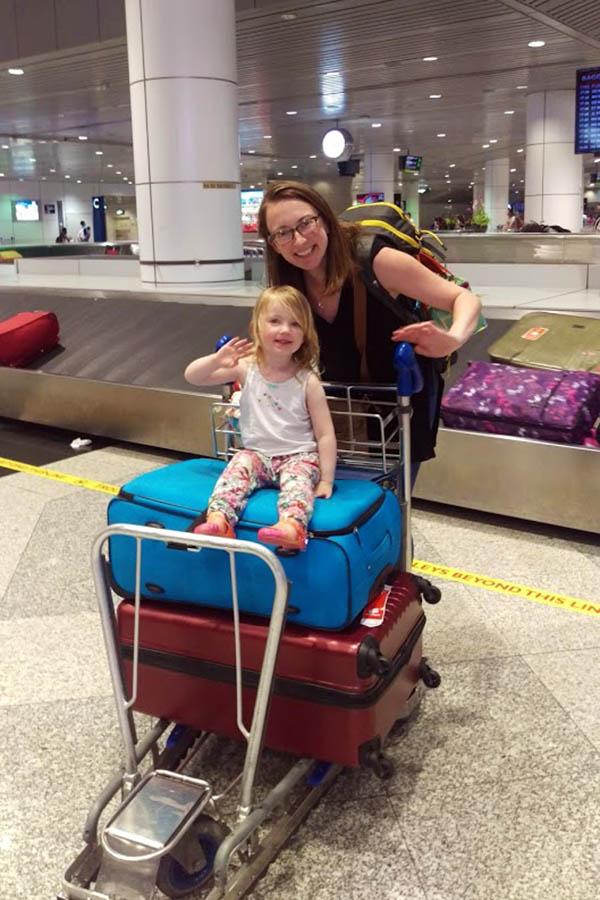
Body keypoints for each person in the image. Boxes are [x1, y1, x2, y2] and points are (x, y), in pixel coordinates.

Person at [257, 181, 482, 474]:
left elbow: (463, 298)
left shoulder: (374, 260)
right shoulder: (289, 282)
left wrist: (453, 338)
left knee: (390, 495)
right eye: (283, 233)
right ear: (273, 244)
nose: (299, 240)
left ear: (324, 219)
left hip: (401, 405)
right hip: (341, 410)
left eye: (305, 223)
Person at [184, 285, 336, 551]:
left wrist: (326, 480)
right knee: (236, 470)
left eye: (295, 324)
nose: (285, 330)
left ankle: (292, 526)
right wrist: (217, 359)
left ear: (305, 335)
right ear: (256, 327)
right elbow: (193, 376)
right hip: (257, 454)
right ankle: (219, 520)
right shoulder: (246, 368)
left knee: (298, 484)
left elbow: (325, 434)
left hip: (298, 455)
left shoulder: (307, 380)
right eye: (275, 321)